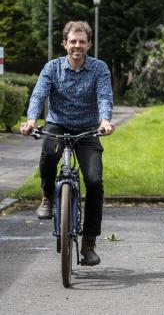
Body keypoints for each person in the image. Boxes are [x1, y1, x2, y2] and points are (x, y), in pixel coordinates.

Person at [20, 21, 114, 266]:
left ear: (89, 44)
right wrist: (32, 119)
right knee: (49, 153)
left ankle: (89, 243)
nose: (77, 46)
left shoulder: (99, 68)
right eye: (73, 41)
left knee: (94, 181)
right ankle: (48, 196)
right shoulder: (52, 68)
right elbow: (39, 94)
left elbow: (104, 96)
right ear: (65, 43)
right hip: (58, 124)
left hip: (87, 129)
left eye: (82, 41)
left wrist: (105, 120)